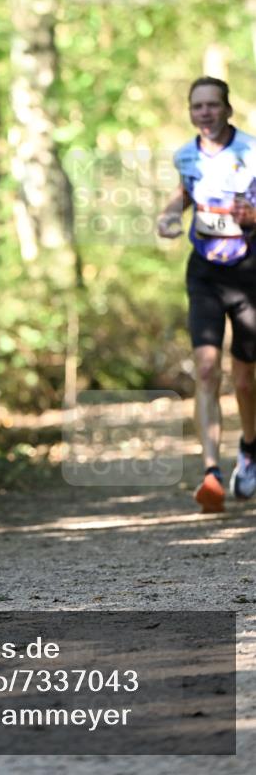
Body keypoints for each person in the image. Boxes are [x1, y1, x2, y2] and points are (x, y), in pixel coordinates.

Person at [157, 76, 256, 512]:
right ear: (190, 112)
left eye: (213, 105)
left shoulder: (251, 151)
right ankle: (211, 473)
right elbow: (185, 193)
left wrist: (252, 215)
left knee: (245, 379)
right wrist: (168, 216)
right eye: (198, 106)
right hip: (204, 274)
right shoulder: (185, 155)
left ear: (228, 109)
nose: (205, 113)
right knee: (205, 368)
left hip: (249, 272)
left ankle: (249, 450)